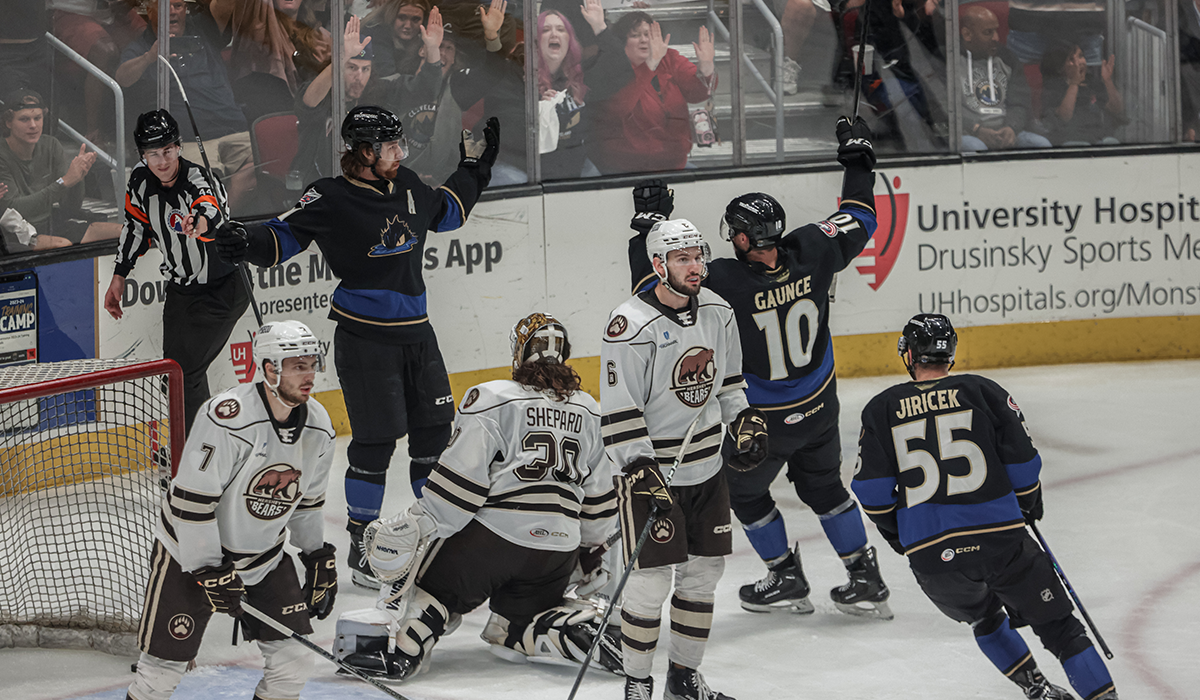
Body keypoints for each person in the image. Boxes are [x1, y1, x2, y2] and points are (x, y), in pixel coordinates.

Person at [214, 106, 499, 591]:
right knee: (374, 444)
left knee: (434, 437)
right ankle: (363, 546)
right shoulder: (330, 197)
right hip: (365, 339)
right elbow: (281, 235)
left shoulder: (407, 183)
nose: (400, 153)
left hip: (418, 334)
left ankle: (430, 535)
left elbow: (448, 211)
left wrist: (475, 167)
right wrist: (246, 240)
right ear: (364, 152)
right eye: (390, 147)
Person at [625, 118, 890, 621]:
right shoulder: (815, 248)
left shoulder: (724, 280)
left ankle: (785, 575)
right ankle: (865, 576)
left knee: (741, 490)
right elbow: (861, 214)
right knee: (826, 487)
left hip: (763, 418)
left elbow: (651, 292)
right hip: (819, 404)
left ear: (743, 239)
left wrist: (647, 228)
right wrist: (857, 155)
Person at [338, 313, 623, 681]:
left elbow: (458, 489)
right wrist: (588, 550)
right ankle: (552, 629)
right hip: (555, 553)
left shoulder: (492, 397)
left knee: (433, 589)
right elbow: (600, 500)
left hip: (493, 542)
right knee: (515, 622)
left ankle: (404, 647)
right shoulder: (589, 409)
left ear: (520, 353)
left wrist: (417, 521)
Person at [852, 313, 1120, 700]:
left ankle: (1037, 690)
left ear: (909, 354)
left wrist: (904, 536)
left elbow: (873, 491)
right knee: (1060, 628)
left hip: (933, 559)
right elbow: (1025, 466)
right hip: (1001, 542)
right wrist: (1027, 504)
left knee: (983, 617)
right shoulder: (983, 391)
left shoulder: (880, 408)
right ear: (950, 353)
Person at [126, 320, 338, 700]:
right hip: (188, 558)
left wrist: (317, 555)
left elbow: (307, 504)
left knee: (294, 660)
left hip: (263, 559)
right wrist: (209, 568)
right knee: (159, 675)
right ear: (270, 369)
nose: (309, 376)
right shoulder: (227, 417)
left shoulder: (319, 428)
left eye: (312, 364)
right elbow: (192, 503)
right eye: (298, 366)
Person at [601, 218, 768, 700]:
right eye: (682, 259)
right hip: (651, 474)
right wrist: (639, 469)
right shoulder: (630, 326)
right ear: (658, 266)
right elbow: (619, 408)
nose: (695, 267)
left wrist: (745, 422)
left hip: (706, 469)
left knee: (703, 576)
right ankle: (637, 682)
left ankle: (684, 679)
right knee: (650, 584)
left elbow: (730, 385)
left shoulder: (718, 310)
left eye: (698, 256)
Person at [103, 109, 249, 435]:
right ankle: (196, 444)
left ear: (179, 147)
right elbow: (136, 227)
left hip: (222, 288)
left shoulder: (198, 178)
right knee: (175, 376)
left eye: (167, 150)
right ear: (143, 155)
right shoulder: (140, 180)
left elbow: (212, 207)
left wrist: (199, 221)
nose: (162, 160)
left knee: (186, 374)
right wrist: (119, 274)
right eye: (153, 153)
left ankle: (198, 451)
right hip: (180, 291)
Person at [116, 0, 256, 212]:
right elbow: (122, 78)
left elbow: (226, 5)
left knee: (269, 162)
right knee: (203, 185)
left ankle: (225, 214)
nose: (172, 12)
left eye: (178, 5)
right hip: (189, 139)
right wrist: (149, 58)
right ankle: (220, 225)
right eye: (165, 6)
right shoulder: (141, 46)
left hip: (234, 129)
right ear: (150, 11)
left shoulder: (203, 30)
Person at [588, 13, 716, 174]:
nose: (644, 40)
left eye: (649, 35)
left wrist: (706, 67)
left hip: (673, 163)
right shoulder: (611, 68)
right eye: (635, 36)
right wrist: (650, 65)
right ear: (622, 42)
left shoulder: (669, 58)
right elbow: (620, 108)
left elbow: (698, 94)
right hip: (625, 169)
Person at [0, 88, 121, 248]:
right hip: (14, 232)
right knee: (63, 246)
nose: (33, 125)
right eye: (24, 119)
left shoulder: (51, 145)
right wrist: (63, 182)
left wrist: (78, 178)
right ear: (8, 122)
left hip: (51, 224)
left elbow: (70, 208)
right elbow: (15, 210)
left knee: (124, 231)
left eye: (38, 118)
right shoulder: (2, 155)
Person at [535, 0, 632, 180]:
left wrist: (600, 27)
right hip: (532, 172)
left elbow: (621, 68)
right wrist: (537, 108)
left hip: (576, 167)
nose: (554, 34)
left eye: (561, 30)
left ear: (569, 39)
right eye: (546, 30)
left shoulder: (583, 76)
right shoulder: (522, 77)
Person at [958, 5, 1051, 152]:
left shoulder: (1008, 58)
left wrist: (1011, 127)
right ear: (967, 34)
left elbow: (1020, 102)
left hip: (1004, 130)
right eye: (988, 33)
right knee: (976, 148)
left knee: (1041, 145)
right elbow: (942, 107)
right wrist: (975, 129)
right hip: (967, 133)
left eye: (996, 30)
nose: (997, 38)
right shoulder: (949, 60)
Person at [1039, 44, 1124, 146]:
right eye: (1072, 59)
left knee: (1112, 142)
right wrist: (1074, 83)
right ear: (1059, 67)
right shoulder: (1053, 86)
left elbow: (1116, 109)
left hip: (1099, 138)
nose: (1079, 62)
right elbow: (1064, 116)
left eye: (1080, 56)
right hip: (1069, 140)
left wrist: (1107, 80)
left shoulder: (1092, 82)